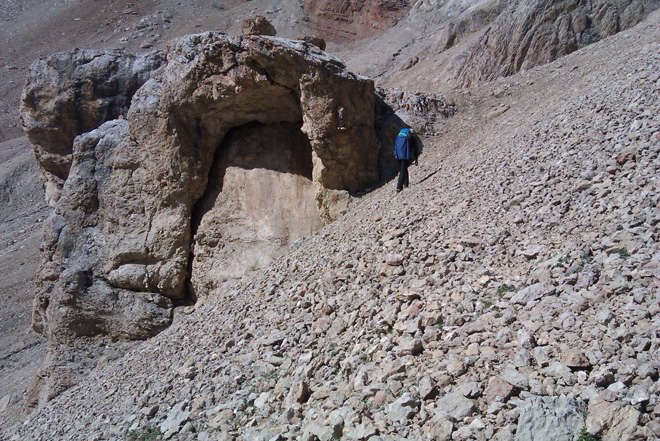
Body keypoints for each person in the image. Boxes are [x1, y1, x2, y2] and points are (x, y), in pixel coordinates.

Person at [394, 128, 418, 192]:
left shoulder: (400, 137)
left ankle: (406, 184)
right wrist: (416, 159)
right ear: (412, 133)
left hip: (398, 155)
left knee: (404, 168)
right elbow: (415, 149)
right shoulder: (411, 139)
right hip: (405, 155)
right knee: (403, 170)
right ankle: (399, 187)